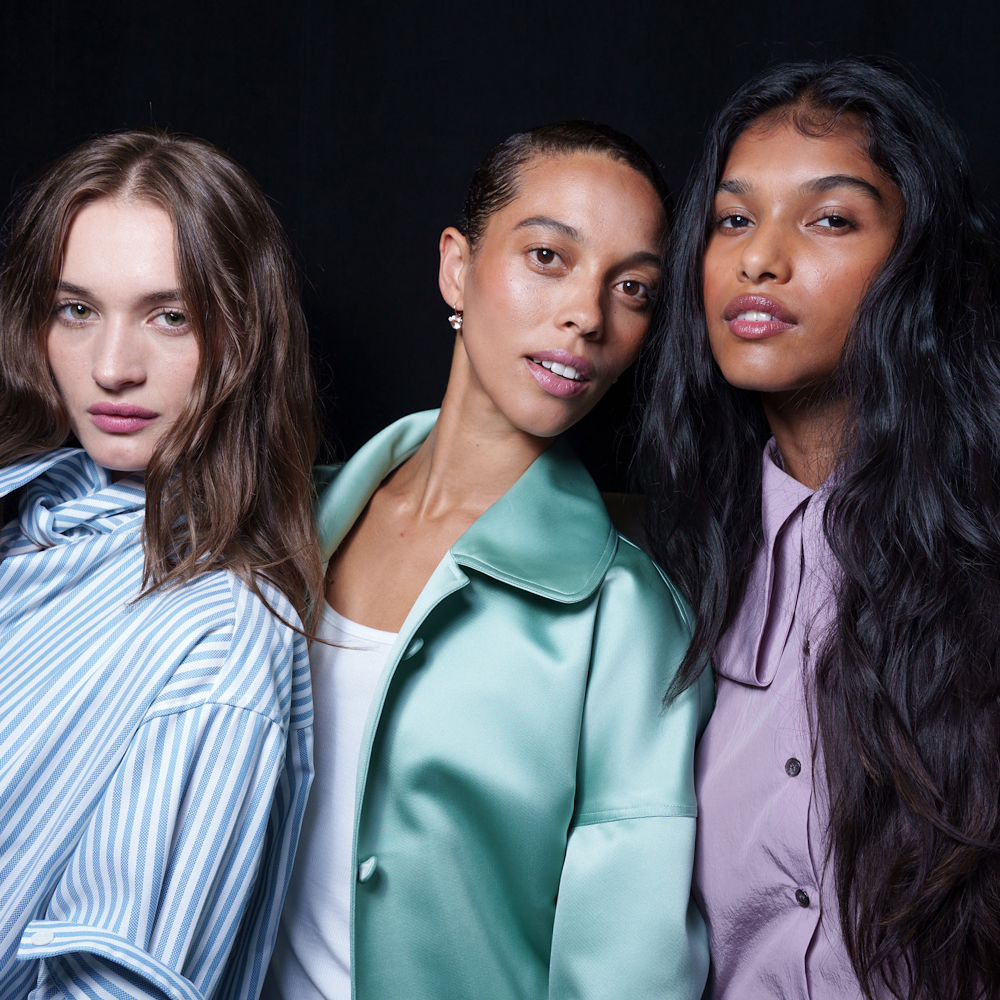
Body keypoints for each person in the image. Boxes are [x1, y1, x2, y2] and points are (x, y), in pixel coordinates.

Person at [264, 121, 712, 1000]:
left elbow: (629, 970)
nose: (588, 314)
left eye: (633, 289)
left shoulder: (627, 615)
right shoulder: (278, 520)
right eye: (549, 256)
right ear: (457, 267)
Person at [639, 58, 1000, 1000]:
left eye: (830, 217)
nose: (761, 256)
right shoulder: (661, 593)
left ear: (916, 259)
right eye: (733, 218)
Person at [0, 130, 321, 999]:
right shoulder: (31, 517)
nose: (112, 368)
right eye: (77, 310)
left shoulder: (221, 635)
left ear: (242, 340)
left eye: (169, 316)